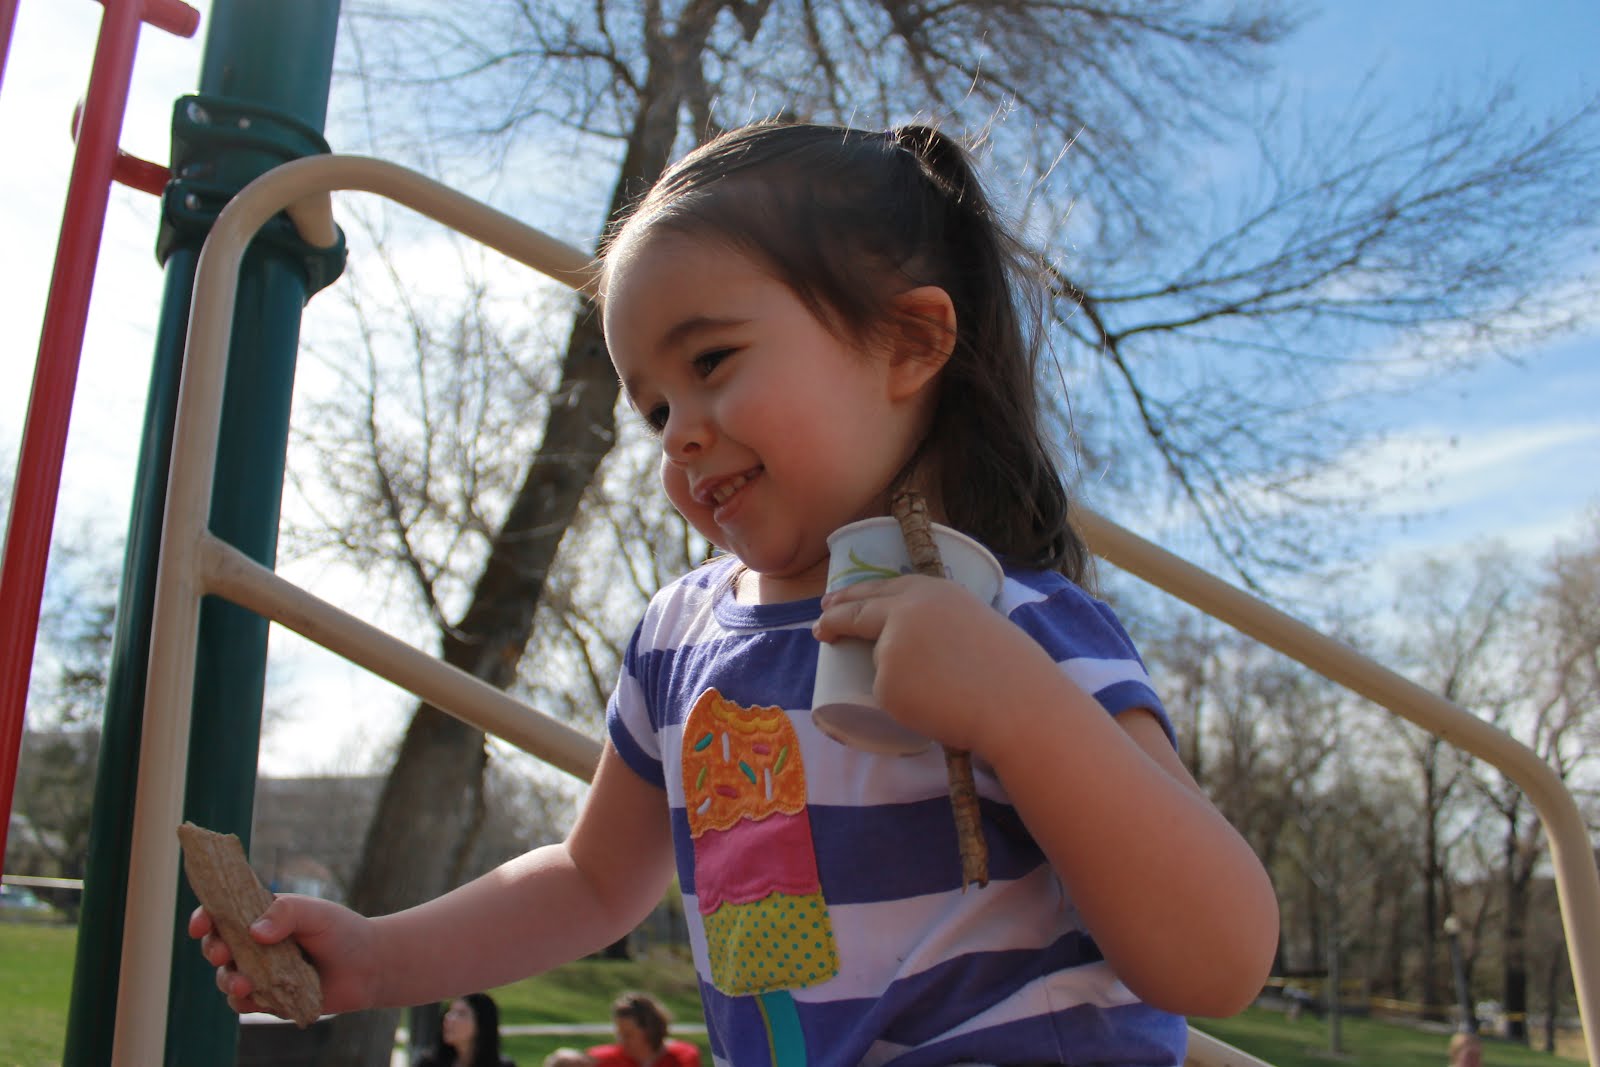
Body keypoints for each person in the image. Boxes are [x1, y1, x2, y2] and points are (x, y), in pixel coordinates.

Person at [192, 120, 1279, 1065]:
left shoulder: (1022, 622)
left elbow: (1219, 957)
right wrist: (380, 956)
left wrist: (1016, 705)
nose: (680, 435)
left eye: (711, 361)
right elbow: (590, 880)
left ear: (910, 342)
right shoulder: (678, 639)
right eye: (654, 409)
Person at [585, 991, 701, 1067]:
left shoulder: (683, 1056)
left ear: (651, 1031)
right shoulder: (602, 1058)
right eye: (619, 1034)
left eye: (628, 1035)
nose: (621, 1040)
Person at [414, 992, 515, 1067]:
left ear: (481, 1024)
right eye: (450, 1011)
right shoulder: (429, 1064)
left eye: (461, 1014)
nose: (449, 1018)